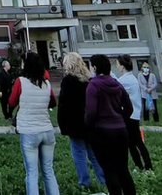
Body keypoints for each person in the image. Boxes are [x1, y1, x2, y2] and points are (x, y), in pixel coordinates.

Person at [85, 54, 136, 195]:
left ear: (94, 67)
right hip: (120, 131)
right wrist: (120, 119)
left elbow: (91, 112)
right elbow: (129, 107)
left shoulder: (93, 85)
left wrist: (90, 128)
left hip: (102, 133)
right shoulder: (116, 83)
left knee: (109, 169)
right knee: (123, 169)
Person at [8, 52, 59, 195]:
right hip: (47, 130)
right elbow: (53, 102)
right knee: (48, 171)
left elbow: (12, 101)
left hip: (29, 131)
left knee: (32, 173)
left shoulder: (21, 82)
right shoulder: (47, 84)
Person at [57, 52, 105, 191]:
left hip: (74, 124)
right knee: (94, 154)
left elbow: (64, 104)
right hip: (90, 122)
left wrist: (62, 123)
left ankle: (84, 182)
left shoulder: (68, 81)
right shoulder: (89, 80)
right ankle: (103, 180)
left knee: (78, 154)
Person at [114, 55, 152, 171]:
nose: (117, 66)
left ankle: (148, 167)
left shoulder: (125, 80)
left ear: (122, 65)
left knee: (137, 142)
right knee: (132, 143)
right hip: (133, 114)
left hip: (129, 115)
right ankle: (139, 165)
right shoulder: (130, 78)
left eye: (117, 64)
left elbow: (115, 87)